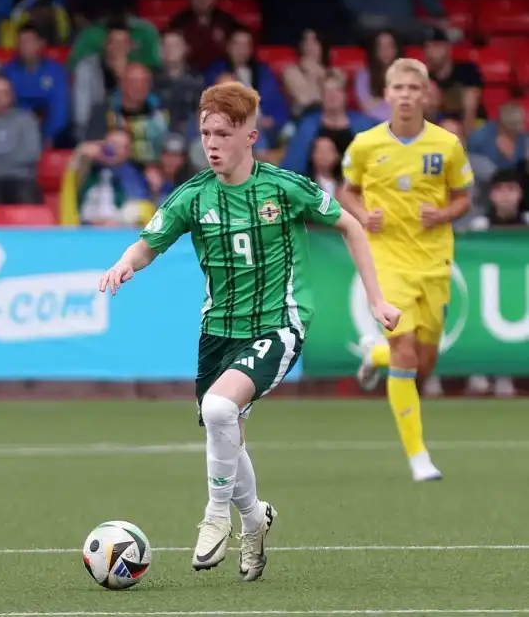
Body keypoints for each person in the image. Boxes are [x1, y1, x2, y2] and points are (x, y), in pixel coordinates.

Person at [98, 81, 400, 581]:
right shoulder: (193, 196)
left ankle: (216, 515)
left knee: (219, 409)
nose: (211, 144)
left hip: (280, 323)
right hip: (218, 332)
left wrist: (376, 299)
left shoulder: (284, 188)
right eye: (205, 133)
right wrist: (125, 263)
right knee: (226, 431)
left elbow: (351, 226)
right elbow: (148, 244)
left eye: (222, 133)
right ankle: (255, 520)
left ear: (250, 137)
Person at [338, 58, 472, 482]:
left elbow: (463, 196)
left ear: (426, 94)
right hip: (387, 262)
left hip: (433, 263)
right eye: (399, 88)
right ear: (387, 94)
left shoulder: (447, 145)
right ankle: (418, 457)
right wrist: (364, 215)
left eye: (414, 89)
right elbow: (346, 191)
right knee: (406, 352)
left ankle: (374, 354)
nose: (407, 96)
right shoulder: (365, 144)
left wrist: (443, 213)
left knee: (424, 362)